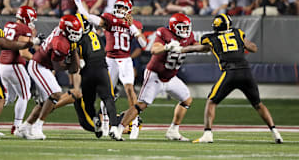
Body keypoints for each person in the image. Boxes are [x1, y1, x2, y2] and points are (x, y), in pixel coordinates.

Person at [178, 13, 283, 144]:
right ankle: (276, 133)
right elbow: (253, 48)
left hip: (230, 72)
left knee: (211, 102)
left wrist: (180, 49)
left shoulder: (211, 38)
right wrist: (240, 46)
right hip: (246, 72)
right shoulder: (237, 33)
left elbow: (198, 48)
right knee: (258, 104)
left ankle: (208, 134)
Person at [73, 0, 147, 139]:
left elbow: (144, 44)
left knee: (129, 89)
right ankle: (106, 122)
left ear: (129, 10)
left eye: (122, 7)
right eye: (117, 7)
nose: (119, 10)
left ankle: (134, 123)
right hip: (110, 60)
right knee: (107, 93)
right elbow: (87, 16)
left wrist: (131, 25)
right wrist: (77, 0)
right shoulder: (109, 19)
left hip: (125, 59)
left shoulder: (134, 23)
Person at [115, 13, 196, 141]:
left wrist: (207, 47)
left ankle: (173, 131)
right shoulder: (164, 32)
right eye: (182, 27)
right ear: (174, 27)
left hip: (170, 77)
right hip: (155, 75)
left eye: (187, 27)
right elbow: (154, 50)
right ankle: (118, 129)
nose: (185, 30)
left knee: (186, 100)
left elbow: (197, 46)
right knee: (141, 105)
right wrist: (167, 47)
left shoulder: (189, 37)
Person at [15, 15, 82, 140]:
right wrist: (72, 60)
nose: (77, 35)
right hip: (39, 66)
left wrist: (73, 59)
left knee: (45, 101)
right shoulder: (60, 43)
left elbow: (73, 68)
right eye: (74, 32)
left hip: (43, 65)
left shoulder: (63, 35)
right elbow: (58, 67)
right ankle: (37, 127)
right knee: (56, 94)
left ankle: (25, 127)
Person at [60, 13, 120, 139]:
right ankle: (114, 128)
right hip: (102, 70)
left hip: (87, 72)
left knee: (88, 102)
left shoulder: (78, 39)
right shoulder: (95, 35)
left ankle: (95, 120)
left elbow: (76, 60)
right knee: (108, 99)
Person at [0, 6, 40, 135]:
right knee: (25, 95)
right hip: (14, 65)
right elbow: (23, 52)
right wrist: (38, 60)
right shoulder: (24, 29)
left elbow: (18, 42)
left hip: (2, 65)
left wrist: (33, 41)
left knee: (7, 97)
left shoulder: (9, 25)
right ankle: (16, 126)